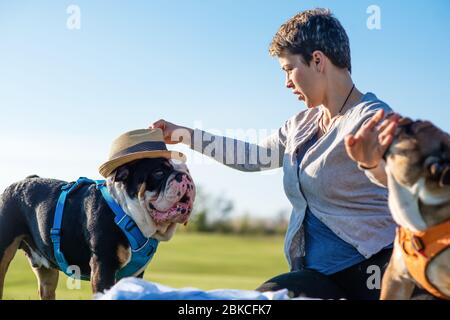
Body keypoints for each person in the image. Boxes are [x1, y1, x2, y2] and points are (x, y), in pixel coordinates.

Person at [150, 9, 400, 299]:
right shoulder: (301, 125)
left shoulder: (373, 120)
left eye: (288, 69)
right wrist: (185, 135)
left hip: (368, 278)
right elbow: (252, 156)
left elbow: (409, 178)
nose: (286, 82)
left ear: (317, 60)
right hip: (314, 276)